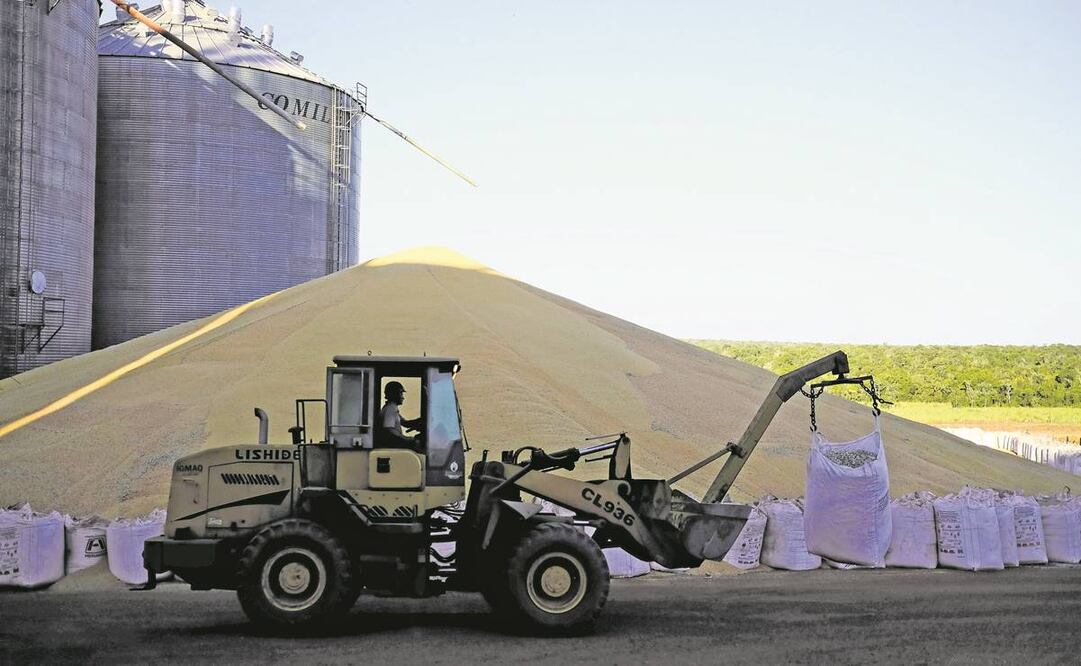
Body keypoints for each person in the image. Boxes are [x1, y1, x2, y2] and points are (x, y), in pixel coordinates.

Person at [377, 381, 422, 448]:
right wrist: (406, 439)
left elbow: (405, 423)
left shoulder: (391, 408)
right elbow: (389, 429)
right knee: (417, 443)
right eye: (401, 393)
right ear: (394, 394)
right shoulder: (391, 408)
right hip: (392, 446)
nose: (403, 397)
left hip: (394, 444)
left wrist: (421, 419)